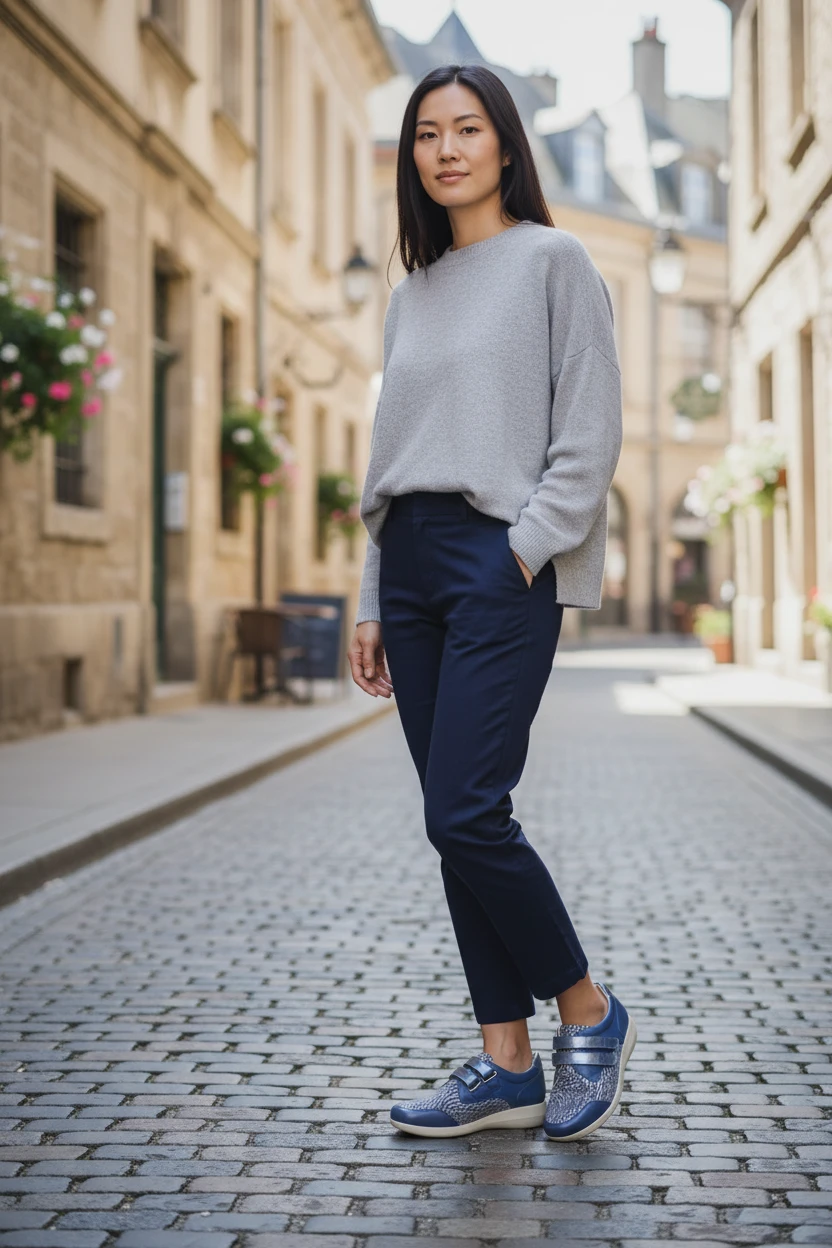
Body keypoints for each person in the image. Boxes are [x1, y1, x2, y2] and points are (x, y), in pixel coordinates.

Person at [347, 63, 636, 1142]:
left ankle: (589, 1012)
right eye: (427, 133)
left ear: (506, 146)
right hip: (412, 564)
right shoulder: (410, 296)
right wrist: (374, 595)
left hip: (496, 562)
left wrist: (521, 553)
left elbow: (589, 433)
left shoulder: (553, 261)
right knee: (455, 827)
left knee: (464, 809)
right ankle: (506, 1063)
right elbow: (388, 463)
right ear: (413, 158)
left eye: (468, 128)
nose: (447, 148)